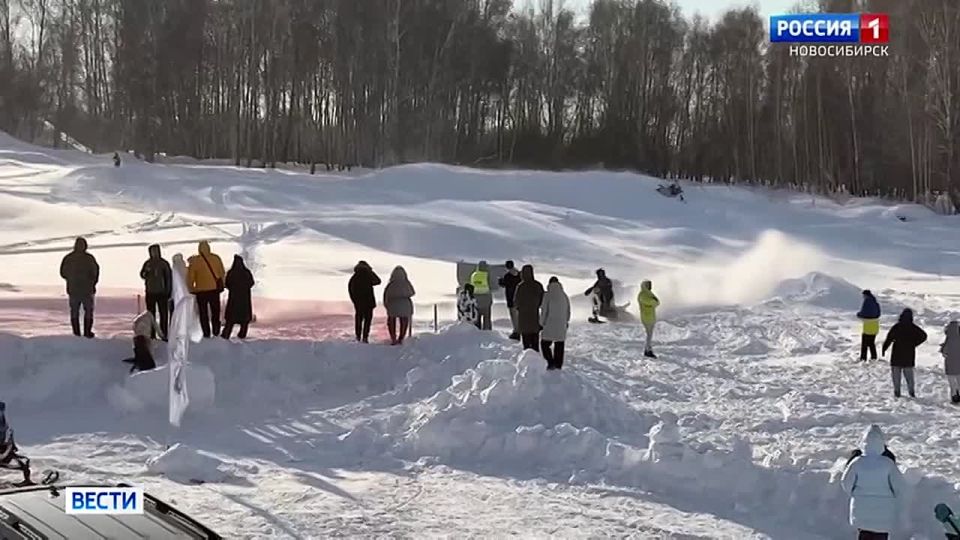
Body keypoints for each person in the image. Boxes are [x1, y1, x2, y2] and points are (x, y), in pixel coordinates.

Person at [840, 425, 904, 540]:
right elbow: (899, 486)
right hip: (883, 515)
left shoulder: (856, 462)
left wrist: (854, 493)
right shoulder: (888, 463)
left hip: (861, 513)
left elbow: (846, 483)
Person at [59, 237, 99, 338]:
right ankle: (87, 332)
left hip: (74, 290)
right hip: (86, 290)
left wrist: (71, 279)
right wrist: (92, 283)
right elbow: (95, 272)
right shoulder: (89, 258)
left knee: (75, 311)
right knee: (88, 311)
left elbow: (63, 273)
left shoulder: (69, 258)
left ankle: (77, 333)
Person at [882, 308, 927, 398]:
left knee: (896, 376)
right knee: (909, 376)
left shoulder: (897, 326)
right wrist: (914, 344)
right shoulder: (913, 328)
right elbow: (924, 336)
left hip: (896, 354)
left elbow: (889, 338)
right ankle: (911, 392)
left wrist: (884, 348)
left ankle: (897, 392)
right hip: (908, 354)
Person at [186, 241, 225, 338]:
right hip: (214, 290)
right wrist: (222, 285)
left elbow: (191, 277)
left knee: (203, 313)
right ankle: (216, 331)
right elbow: (222, 273)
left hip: (201, 291)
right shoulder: (216, 258)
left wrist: (191, 288)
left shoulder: (195, 261)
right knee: (215, 312)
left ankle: (206, 333)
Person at [140, 244, 172, 340]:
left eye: (155, 251)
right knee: (151, 314)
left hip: (162, 293)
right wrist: (146, 272)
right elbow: (142, 275)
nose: (153, 253)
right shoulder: (147, 263)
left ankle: (164, 333)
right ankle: (152, 334)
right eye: (152, 251)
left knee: (163, 314)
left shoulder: (164, 264)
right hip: (150, 292)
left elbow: (168, 278)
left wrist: (168, 291)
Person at [540, 276, 570, 370]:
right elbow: (568, 311)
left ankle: (550, 362)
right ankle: (558, 365)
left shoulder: (547, 295)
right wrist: (566, 321)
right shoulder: (564, 295)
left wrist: (541, 323)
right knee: (559, 344)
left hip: (550, 323)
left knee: (544, 344)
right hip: (561, 324)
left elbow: (544, 310)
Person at [222, 255, 255, 340]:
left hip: (233, 299)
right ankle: (242, 335)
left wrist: (233, 289)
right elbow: (251, 283)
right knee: (244, 319)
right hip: (244, 299)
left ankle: (225, 335)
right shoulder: (246, 272)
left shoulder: (231, 272)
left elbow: (227, 284)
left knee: (230, 319)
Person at [348, 261, 381, 343]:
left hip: (359, 303)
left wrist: (354, 301)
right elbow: (378, 281)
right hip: (369, 302)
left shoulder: (354, 277)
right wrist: (371, 271)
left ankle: (358, 336)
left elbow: (350, 290)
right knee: (367, 320)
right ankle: (365, 337)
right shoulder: (368, 276)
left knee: (359, 320)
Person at [0, 402, 32, 486]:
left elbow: (8, 434)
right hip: (4, 450)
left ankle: (27, 480)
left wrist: (12, 445)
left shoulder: (4, 423)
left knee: (24, 461)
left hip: (4, 449)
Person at [513, 265, 544, 351]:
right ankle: (536, 361)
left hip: (523, 320)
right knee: (535, 345)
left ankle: (527, 361)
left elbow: (516, 302)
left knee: (526, 346)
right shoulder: (537, 285)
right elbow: (542, 300)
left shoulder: (520, 286)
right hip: (534, 319)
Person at [383, 266, 415, 345]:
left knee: (391, 322)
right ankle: (401, 338)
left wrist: (386, 305)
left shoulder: (391, 284)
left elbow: (386, 295)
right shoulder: (406, 283)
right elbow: (412, 292)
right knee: (404, 321)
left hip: (393, 306)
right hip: (405, 305)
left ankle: (393, 338)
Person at [498, 260, 522, 340]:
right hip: (519, 299)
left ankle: (516, 332)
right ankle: (520, 330)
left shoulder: (507, 276)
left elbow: (504, 284)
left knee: (514, 317)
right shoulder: (519, 274)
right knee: (519, 316)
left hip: (511, 298)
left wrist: (500, 281)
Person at [638, 280, 660, 358]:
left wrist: (655, 302)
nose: (650, 286)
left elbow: (656, 302)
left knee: (650, 334)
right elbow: (652, 302)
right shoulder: (643, 294)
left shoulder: (648, 293)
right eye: (648, 285)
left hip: (650, 316)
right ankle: (647, 350)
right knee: (649, 335)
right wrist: (654, 302)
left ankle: (648, 349)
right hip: (646, 317)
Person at [857, 290, 881, 361]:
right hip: (875, 325)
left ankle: (863, 358)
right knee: (871, 343)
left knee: (864, 343)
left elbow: (864, 313)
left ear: (865, 295)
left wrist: (859, 314)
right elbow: (878, 314)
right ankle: (874, 357)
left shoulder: (867, 302)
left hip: (868, 326)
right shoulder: (876, 303)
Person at [940, 320, 960, 404]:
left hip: (950, 363)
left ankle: (954, 396)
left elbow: (945, 352)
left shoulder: (948, 339)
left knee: (952, 382)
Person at [470, 261, 493, 331]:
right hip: (486, 299)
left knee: (477, 319)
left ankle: (477, 333)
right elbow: (492, 285)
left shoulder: (474, 275)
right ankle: (487, 333)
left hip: (476, 299)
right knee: (487, 319)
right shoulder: (487, 275)